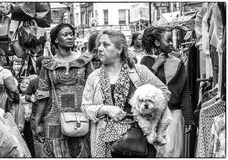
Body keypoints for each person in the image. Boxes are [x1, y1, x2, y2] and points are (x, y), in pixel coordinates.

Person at [81, 30, 171, 158]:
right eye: (99, 45)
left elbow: (165, 94)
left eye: (105, 45)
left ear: (119, 49)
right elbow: (85, 107)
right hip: (105, 142)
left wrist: (147, 110)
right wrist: (106, 109)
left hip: (140, 140)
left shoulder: (139, 71)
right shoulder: (94, 77)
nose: (100, 49)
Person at [34, 23, 93, 158]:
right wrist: (37, 122)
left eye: (71, 34)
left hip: (80, 115)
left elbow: (93, 88)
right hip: (54, 117)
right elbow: (42, 93)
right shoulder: (48, 64)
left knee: (81, 151)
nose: (70, 37)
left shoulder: (84, 60)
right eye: (65, 35)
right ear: (56, 39)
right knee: (56, 152)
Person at [140, 26, 195, 157]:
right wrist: (155, 65)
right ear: (157, 43)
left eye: (172, 40)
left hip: (174, 113)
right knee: (154, 152)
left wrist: (189, 119)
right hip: (152, 115)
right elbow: (142, 88)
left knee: (171, 151)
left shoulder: (178, 62)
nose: (171, 43)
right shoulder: (146, 61)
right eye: (168, 40)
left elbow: (185, 92)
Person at [25, 56, 45, 158]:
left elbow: (27, 97)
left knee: (38, 141)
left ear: (37, 68)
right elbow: (27, 97)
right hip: (49, 117)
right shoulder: (35, 82)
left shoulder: (35, 81)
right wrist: (32, 98)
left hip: (37, 117)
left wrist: (32, 99)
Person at [0, 47, 20, 112]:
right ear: (1, 58)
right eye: (4, 55)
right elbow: (14, 90)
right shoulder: (4, 72)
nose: (6, 57)